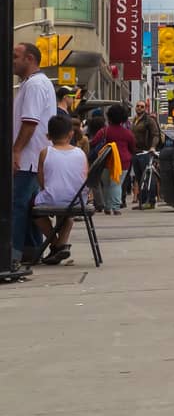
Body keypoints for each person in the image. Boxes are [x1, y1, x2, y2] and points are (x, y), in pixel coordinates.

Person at [12, 42, 55, 270]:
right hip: (30, 158)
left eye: (15, 56)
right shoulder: (31, 84)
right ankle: (31, 250)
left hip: (28, 158)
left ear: (30, 58)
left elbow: (29, 123)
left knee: (17, 205)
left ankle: (14, 254)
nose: (12, 60)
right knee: (26, 206)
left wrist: (16, 150)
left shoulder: (35, 85)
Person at [32, 114, 88, 265]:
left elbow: (41, 180)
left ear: (48, 136)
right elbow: (84, 178)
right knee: (67, 215)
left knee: (34, 212)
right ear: (71, 134)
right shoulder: (80, 153)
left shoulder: (45, 152)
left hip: (53, 198)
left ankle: (56, 244)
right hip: (77, 201)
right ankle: (60, 245)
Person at [94, 105, 136, 217]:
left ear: (109, 117)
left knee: (107, 184)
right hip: (123, 162)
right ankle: (116, 207)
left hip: (105, 161)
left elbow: (93, 143)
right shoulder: (128, 133)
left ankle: (108, 207)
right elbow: (132, 148)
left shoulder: (104, 131)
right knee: (117, 184)